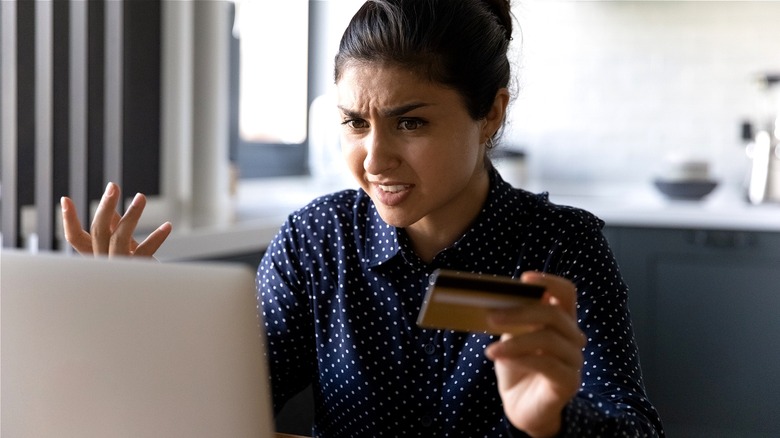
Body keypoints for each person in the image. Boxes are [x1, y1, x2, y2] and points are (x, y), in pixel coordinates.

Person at [62, 0, 664, 436]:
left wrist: (554, 422)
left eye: (411, 122)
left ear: (491, 115)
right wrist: (135, 335)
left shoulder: (562, 244)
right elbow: (226, 410)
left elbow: (633, 429)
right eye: (355, 123)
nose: (374, 160)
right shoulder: (316, 241)